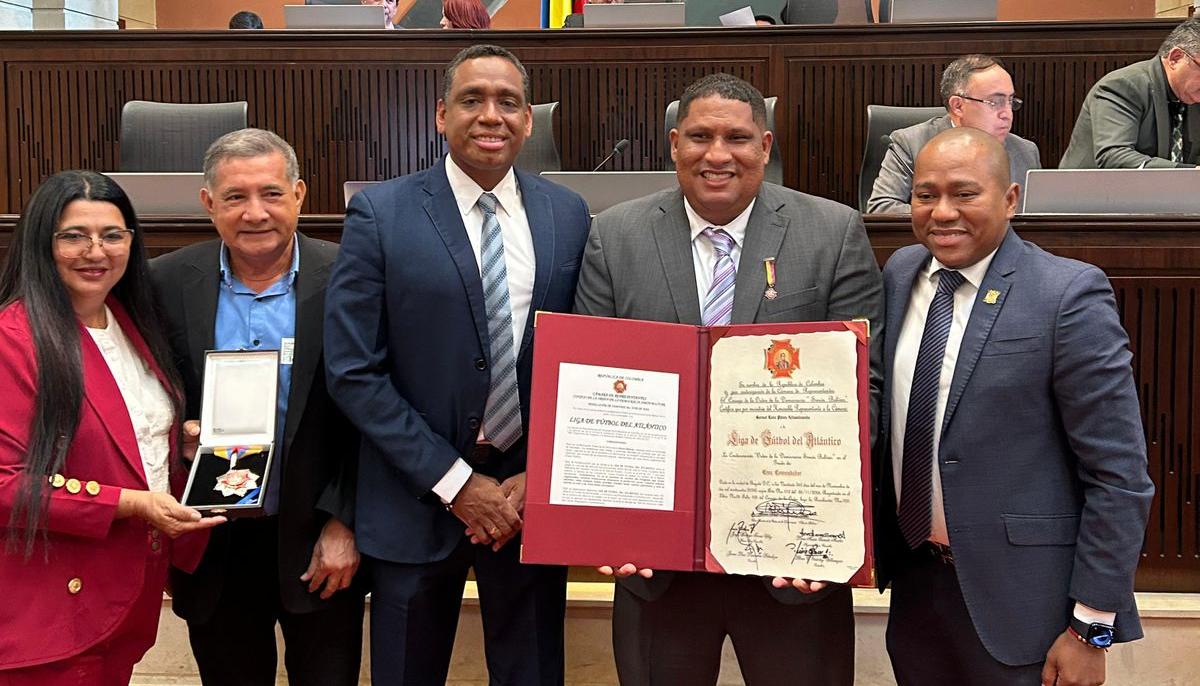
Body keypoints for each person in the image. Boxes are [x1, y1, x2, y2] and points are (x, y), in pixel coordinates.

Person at [574, 72, 883, 686]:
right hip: (656, 566)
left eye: (737, 138)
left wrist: (830, 525)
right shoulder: (614, 235)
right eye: (700, 136)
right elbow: (592, 385)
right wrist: (609, 521)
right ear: (673, 144)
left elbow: (861, 393)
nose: (718, 154)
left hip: (794, 562)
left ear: (765, 146)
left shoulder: (833, 231)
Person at [324, 44, 590, 685]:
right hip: (416, 499)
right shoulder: (380, 214)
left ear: (530, 121)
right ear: (441, 115)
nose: (490, 115)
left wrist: (539, 470)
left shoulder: (569, 214)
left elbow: (582, 358)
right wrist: (455, 483)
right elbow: (353, 369)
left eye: (509, 102)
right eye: (472, 99)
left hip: (530, 502)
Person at [875, 127, 1154, 685]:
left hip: (1028, 611)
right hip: (918, 594)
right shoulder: (899, 274)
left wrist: (1090, 629)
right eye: (925, 195)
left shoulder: (1067, 293)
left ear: (1010, 199)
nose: (942, 211)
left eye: (965, 193)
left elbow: (1119, 475)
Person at [150, 129, 364, 686]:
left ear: (298, 195)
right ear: (207, 204)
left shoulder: (351, 277)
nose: (255, 213)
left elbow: (374, 410)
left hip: (319, 537)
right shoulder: (164, 282)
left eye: (271, 194)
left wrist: (347, 522)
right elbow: (142, 400)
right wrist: (181, 438)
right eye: (235, 197)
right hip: (214, 539)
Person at [0, 171, 222, 684]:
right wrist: (134, 503)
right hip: (47, 611)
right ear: (42, 243)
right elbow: (7, 482)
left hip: (120, 599)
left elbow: (129, 434)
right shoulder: (14, 338)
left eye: (113, 235)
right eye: (74, 235)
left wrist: (180, 445)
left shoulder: (130, 321)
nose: (95, 251)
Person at [867, 54, 1041, 214]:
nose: (1007, 114)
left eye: (1010, 101)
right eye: (995, 102)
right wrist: (959, 217)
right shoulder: (912, 143)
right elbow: (882, 207)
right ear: (958, 106)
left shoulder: (1025, 151)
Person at [1060, 17, 1200, 169]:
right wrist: (1188, 173)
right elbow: (1114, 156)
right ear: (1175, 58)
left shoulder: (1191, 95)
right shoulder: (1122, 86)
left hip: (1158, 191)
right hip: (1092, 190)